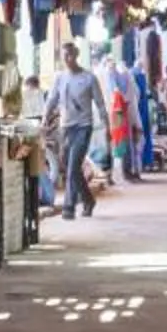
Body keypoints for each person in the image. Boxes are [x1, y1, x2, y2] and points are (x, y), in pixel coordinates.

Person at [47, 44, 102, 219]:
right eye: (64, 56)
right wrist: (44, 120)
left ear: (76, 56)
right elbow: (51, 100)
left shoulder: (89, 78)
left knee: (72, 167)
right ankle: (88, 200)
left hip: (83, 127)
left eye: (70, 55)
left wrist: (107, 126)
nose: (67, 59)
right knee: (69, 165)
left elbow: (100, 103)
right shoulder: (60, 78)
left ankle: (69, 207)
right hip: (66, 128)